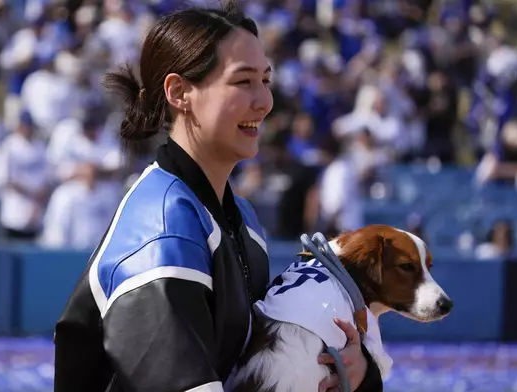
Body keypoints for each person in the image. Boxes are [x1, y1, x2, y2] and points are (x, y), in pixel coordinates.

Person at [53, 2, 384, 391]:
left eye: (266, 80)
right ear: (180, 92)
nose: (264, 101)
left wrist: (353, 368)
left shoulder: (239, 216)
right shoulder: (161, 229)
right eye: (243, 81)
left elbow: (255, 362)